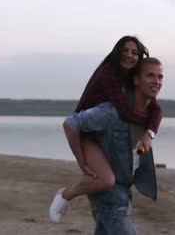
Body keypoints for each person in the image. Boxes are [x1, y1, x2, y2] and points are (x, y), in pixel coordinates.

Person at [49, 36, 163, 223]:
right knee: (106, 180)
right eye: (125, 50)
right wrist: (82, 163)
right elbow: (124, 111)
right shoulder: (108, 73)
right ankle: (65, 194)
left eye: (135, 52)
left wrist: (149, 133)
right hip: (86, 132)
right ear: (117, 51)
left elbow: (156, 109)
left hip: (102, 132)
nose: (129, 55)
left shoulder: (130, 80)